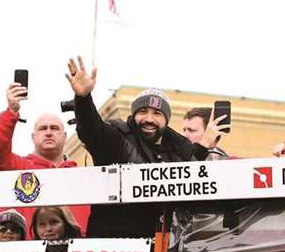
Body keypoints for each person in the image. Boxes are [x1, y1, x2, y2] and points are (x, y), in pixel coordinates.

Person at [65, 56, 228, 238]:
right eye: (143, 111)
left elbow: (192, 173)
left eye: (157, 113)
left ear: (166, 120)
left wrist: (205, 144)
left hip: (162, 251)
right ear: (133, 115)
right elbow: (91, 129)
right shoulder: (117, 137)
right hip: (118, 251)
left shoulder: (179, 148)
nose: (149, 118)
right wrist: (83, 98)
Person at [0, 82, 90, 233]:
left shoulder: (84, 176)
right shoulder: (18, 167)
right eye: (43, 129)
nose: (48, 132)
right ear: (33, 137)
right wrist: (11, 111)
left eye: (54, 128)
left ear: (65, 137)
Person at [182, 106, 285, 159]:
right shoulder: (171, 160)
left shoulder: (234, 165)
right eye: (184, 130)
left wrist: (284, 162)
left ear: (213, 132)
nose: (184, 135)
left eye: (191, 130)